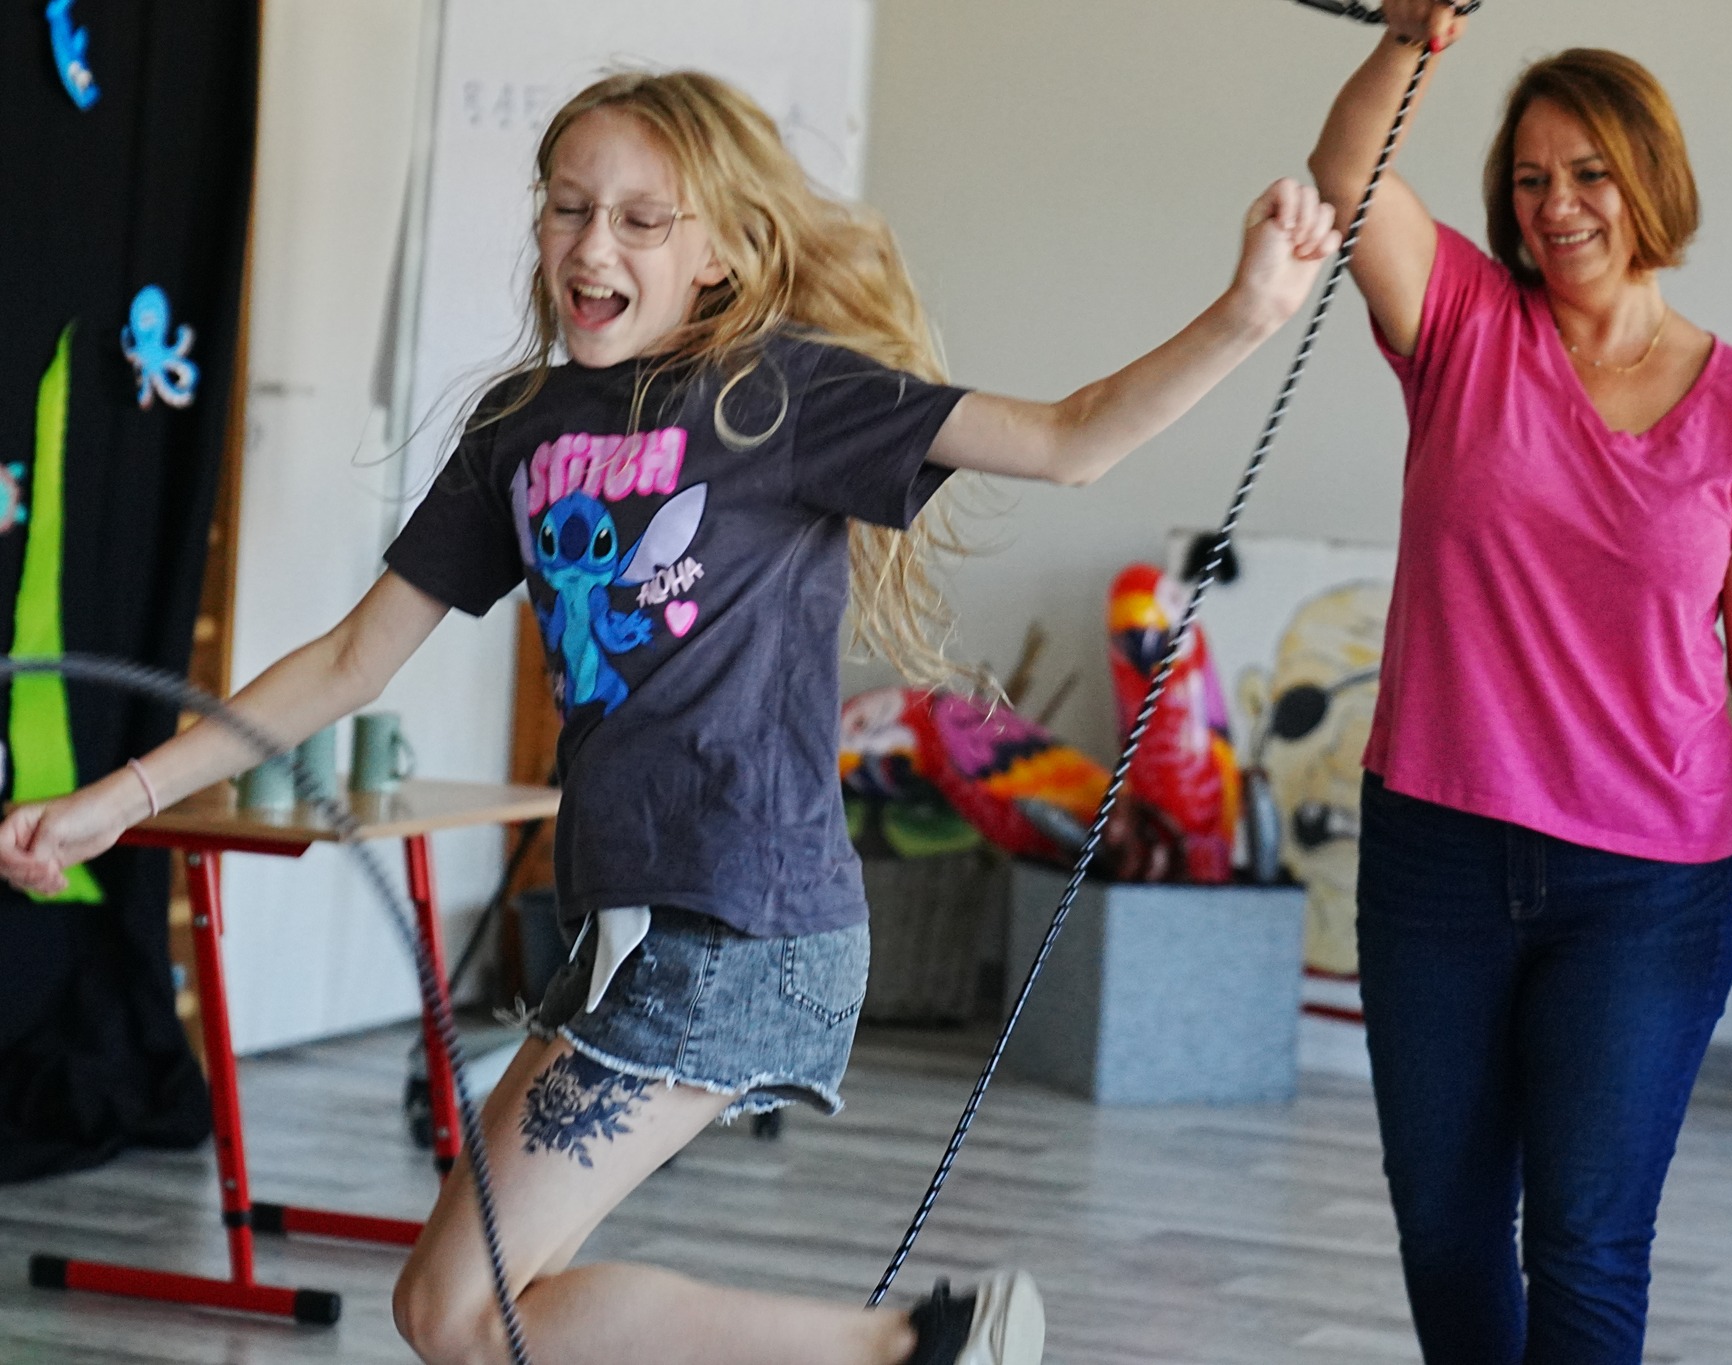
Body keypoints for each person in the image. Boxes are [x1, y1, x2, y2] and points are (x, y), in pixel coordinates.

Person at [0, 70, 1340, 1365]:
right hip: (628, 922)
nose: (594, 246)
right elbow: (353, 658)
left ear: (721, 253)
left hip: (740, 923)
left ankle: (909, 1348)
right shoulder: (519, 430)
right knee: (466, 1314)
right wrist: (117, 801)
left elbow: (1070, 439)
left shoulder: (781, 396)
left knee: (459, 1313)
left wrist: (1247, 312)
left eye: (643, 220)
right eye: (569, 208)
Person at [1306, 5, 1732, 1363]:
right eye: (1530, 178)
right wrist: (1407, 38)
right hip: (1437, 851)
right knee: (1446, 1226)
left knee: (1586, 1236)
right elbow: (1345, 180)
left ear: (1650, 178)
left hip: (1644, 886)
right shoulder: (1464, 325)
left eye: (1589, 173)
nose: (1556, 205)